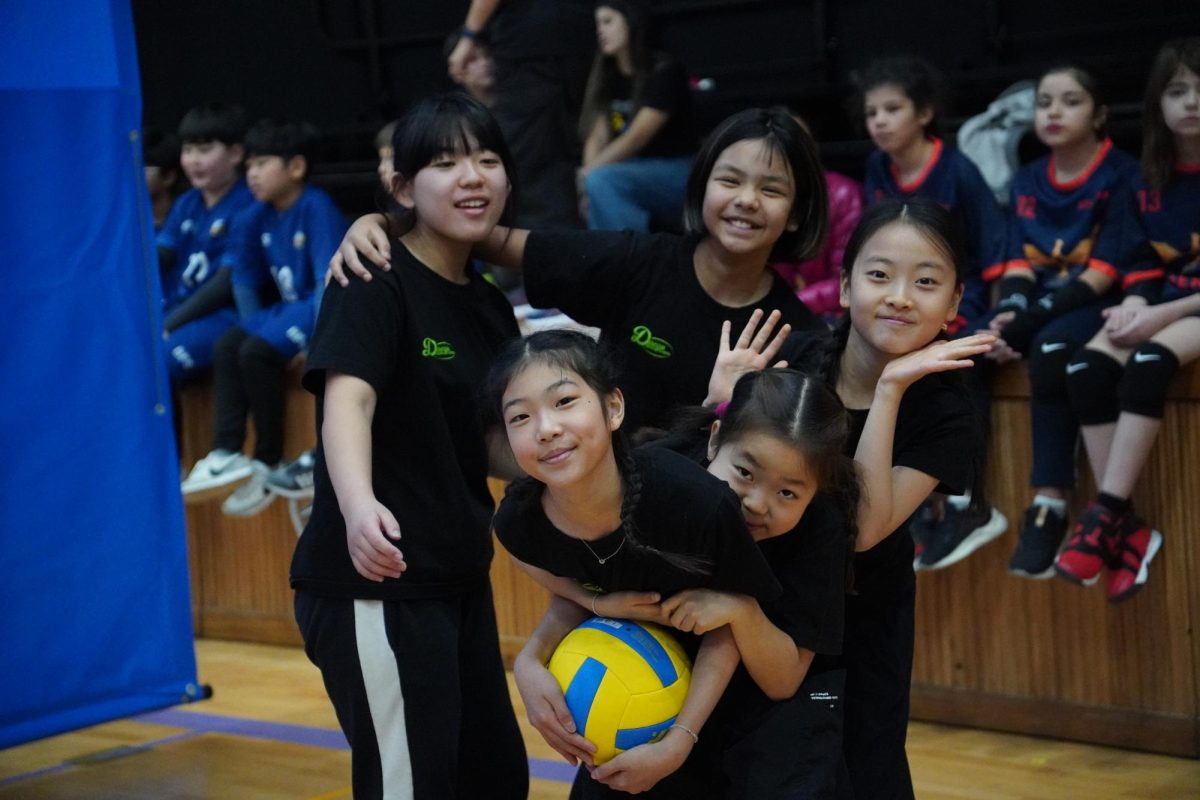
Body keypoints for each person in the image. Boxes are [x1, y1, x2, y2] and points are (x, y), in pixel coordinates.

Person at [289, 93, 527, 799]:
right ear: (401, 187)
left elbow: (491, 446)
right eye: (446, 163)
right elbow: (347, 401)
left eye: (487, 160)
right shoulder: (372, 273)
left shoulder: (488, 304)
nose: (472, 177)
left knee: (494, 781)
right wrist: (360, 507)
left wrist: (585, 452)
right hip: (375, 583)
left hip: (458, 577)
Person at [331, 106, 830, 437]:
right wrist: (381, 220)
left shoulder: (801, 336)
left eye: (771, 189)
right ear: (699, 190)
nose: (746, 200)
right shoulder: (638, 262)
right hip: (607, 522)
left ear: (797, 212)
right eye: (730, 180)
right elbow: (483, 233)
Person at [487, 329, 784, 796]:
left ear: (613, 408)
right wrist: (542, 649)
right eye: (520, 416)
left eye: (564, 401)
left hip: (729, 709)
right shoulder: (518, 521)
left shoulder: (697, 503)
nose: (545, 428)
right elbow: (554, 573)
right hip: (627, 716)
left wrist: (680, 740)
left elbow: (732, 619)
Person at [784, 197, 994, 800]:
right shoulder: (797, 359)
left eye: (925, 283)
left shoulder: (947, 407)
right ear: (845, 287)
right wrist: (724, 402)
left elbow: (867, 526)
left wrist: (891, 389)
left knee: (861, 770)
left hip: (864, 618)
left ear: (954, 304)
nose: (900, 296)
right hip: (775, 604)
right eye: (879, 276)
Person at [987, 65, 1148, 579]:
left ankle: (1051, 501)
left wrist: (1025, 325)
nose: (1053, 112)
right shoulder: (1028, 178)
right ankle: (957, 504)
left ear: (1100, 115)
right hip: (1040, 306)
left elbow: (1104, 272)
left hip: (1100, 301)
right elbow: (1017, 261)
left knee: (1053, 351)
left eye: (1070, 101)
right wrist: (1009, 312)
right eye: (1044, 102)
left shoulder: (1123, 173)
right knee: (968, 346)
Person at [854, 55, 1010, 569]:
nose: (878, 121)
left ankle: (966, 502)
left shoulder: (958, 170)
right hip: (905, 316)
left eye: (891, 109)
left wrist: (1002, 315)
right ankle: (918, 498)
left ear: (923, 114)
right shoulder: (877, 169)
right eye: (871, 111)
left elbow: (994, 247)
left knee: (961, 368)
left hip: (961, 312)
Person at [1058, 37, 1200, 601]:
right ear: (1157, 104)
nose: (1191, 102)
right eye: (1178, 90)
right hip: (1166, 300)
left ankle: (1107, 513)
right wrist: (1137, 304)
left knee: (1147, 360)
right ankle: (1127, 530)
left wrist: (1160, 313)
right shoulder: (1146, 178)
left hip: (1189, 307)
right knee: (1087, 367)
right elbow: (1135, 256)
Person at [181, 119, 347, 509]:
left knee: (256, 352)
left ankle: (267, 458)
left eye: (262, 163)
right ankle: (227, 453)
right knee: (229, 345)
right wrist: (257, 327)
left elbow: (330, 280)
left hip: (318, 304)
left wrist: (319, 341)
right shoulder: (256, 214)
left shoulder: (315, 205)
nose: (251, 174)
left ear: (296, 167)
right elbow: (242, 280)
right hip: (287, 308)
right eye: (249, 165)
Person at [447, 0, 594, 230]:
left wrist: (469, 36)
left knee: (528, 163)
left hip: (533, 45)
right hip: (574, 33)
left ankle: (538, 255)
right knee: (558, 149)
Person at [157, 103, 254, 389]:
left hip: (225, 314)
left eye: (204, 150)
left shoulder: (249, 204)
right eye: (188, 150)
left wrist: (169, 324)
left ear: (236, 153)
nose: (193, 160)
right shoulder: (187, 202)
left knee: (160, 359)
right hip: (179, 306)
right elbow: (161, 256)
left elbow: (225, 285)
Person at [577, 0, 696, 232]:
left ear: (631, 21)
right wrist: (587, 183)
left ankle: (628, 259)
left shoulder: (665, 71)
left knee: (603, 180)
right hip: (628, 169)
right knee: (599, 182)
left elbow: (636, 138)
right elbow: (597, 136)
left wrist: (587, 175)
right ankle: (614, 257)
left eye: (608, 21)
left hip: (677, 170)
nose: (600, 30)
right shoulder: (608, 75)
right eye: (597, 24)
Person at [142, 126, 183, 231]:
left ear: (168, 177)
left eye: (144, 167)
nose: (135, 175)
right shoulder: (124, 222)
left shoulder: (186, 220)